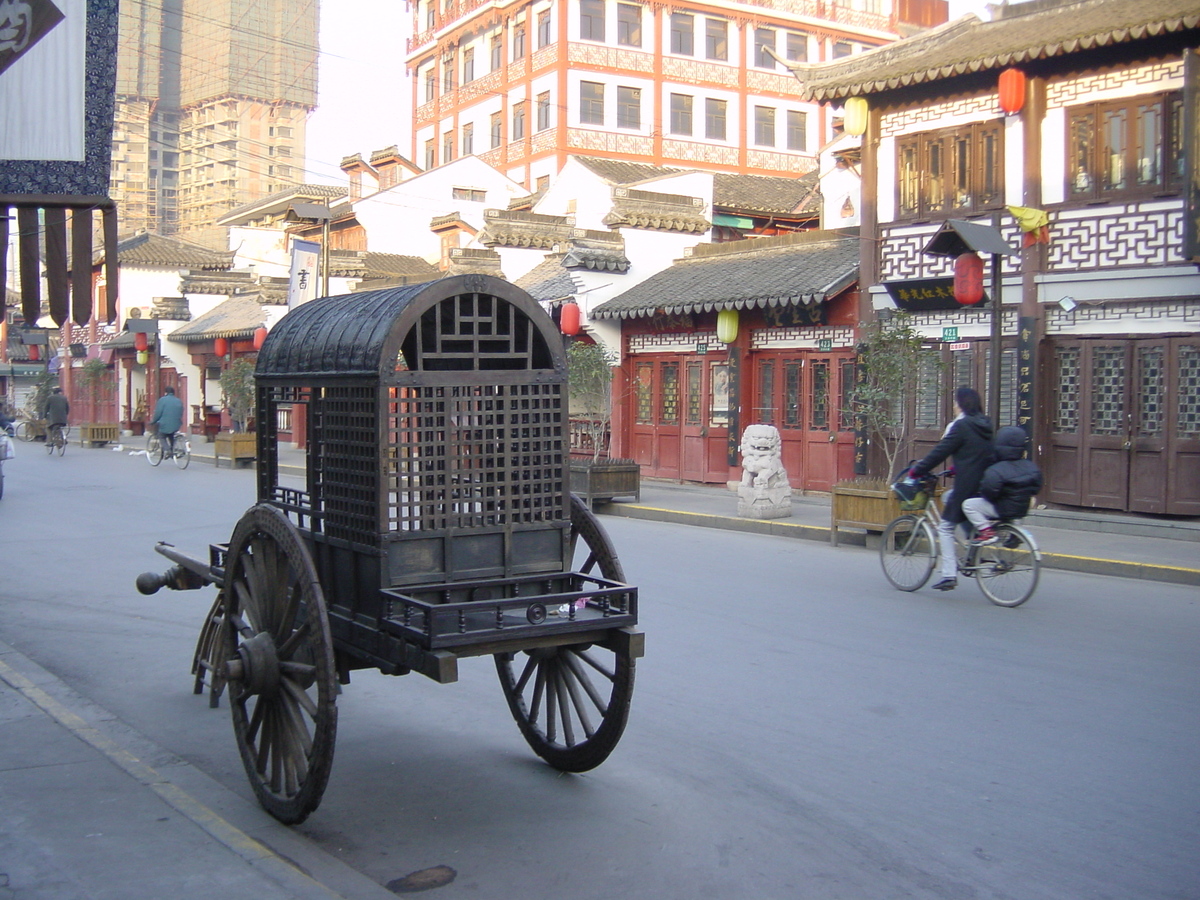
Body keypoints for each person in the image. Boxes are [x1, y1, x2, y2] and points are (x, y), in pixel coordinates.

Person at [907, 387, 994, 591]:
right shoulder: (985, 424)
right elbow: (980, 452)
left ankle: (948, 574)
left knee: (945, 528)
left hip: (967, 485)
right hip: (986, 483)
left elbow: (940, 452)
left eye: (956, 402)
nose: (954, 406)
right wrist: (957, 467)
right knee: (947, 499)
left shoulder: (961, 426)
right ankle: (973, 545)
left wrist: (917, 470)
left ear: (962, 404)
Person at [962, 426, 1044, 545]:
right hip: (1022, 508)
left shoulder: (995, 470)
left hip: (1001, 509)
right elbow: (1036, 488)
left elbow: (988, 491)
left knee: (968, 505)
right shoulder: (1031, 467)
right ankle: (1015, 532)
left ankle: (986, 531)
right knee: (1015, 503)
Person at [149, 386, 185, 457]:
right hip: (176, 424)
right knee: (171, 434)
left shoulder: (162, 400)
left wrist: (153, 421)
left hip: (164, 424)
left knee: (161, 435)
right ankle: (173, 450)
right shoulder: (178, 400)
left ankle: (167, 450)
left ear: (165, 393)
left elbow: (158, 413)